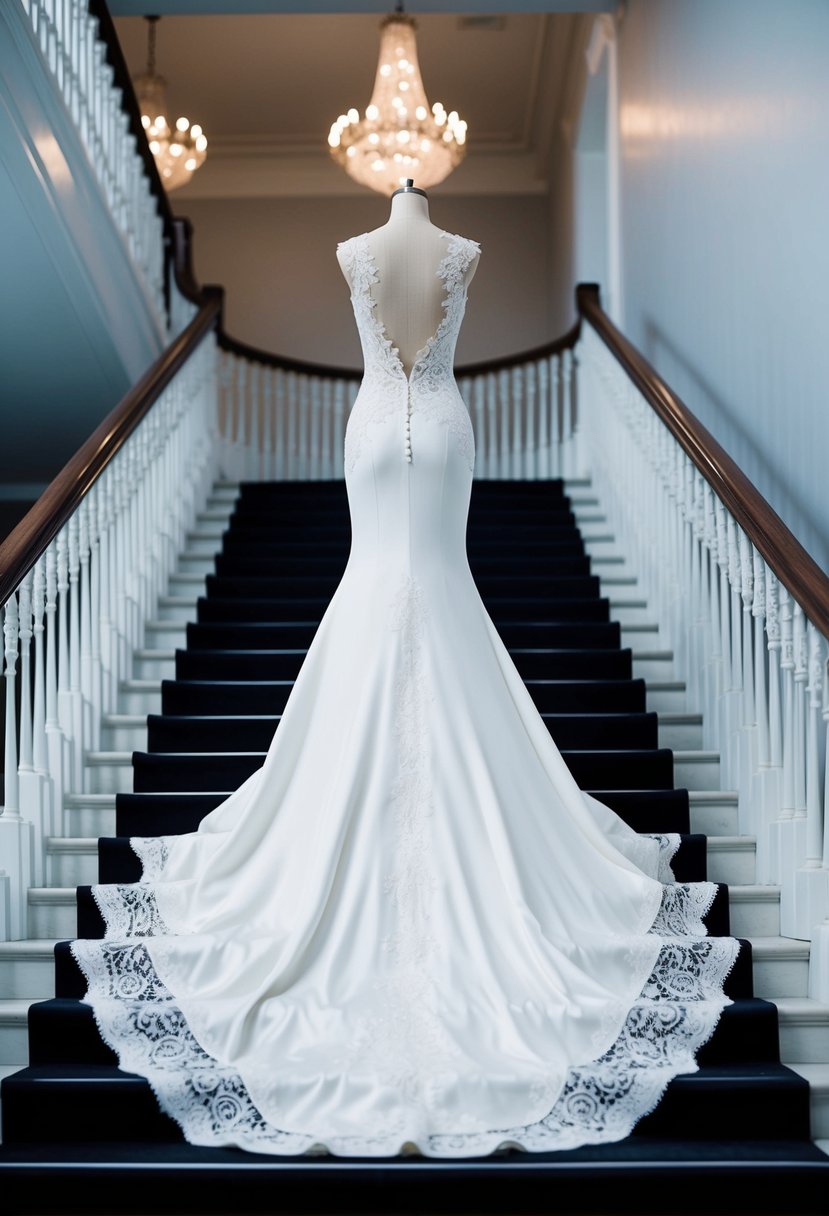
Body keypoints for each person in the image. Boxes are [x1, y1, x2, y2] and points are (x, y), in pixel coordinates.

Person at [72, 181, 738, 1158]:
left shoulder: (367, 249)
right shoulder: (445, 250)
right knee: (406, 578)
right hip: (436, 426)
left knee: (411, 578)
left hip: (379, 429)